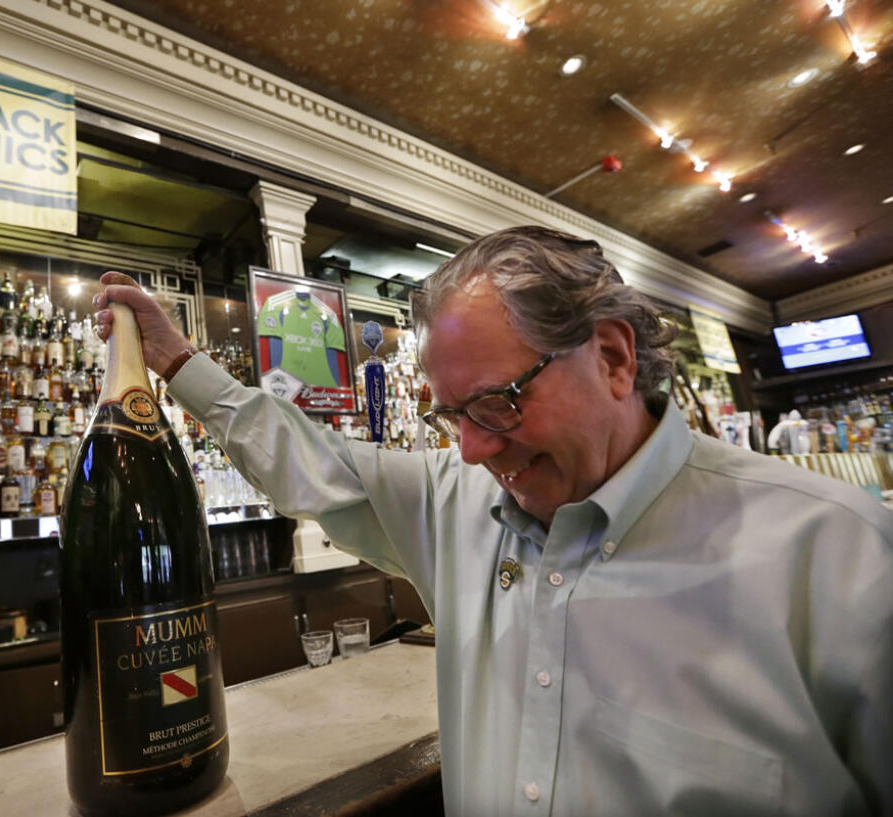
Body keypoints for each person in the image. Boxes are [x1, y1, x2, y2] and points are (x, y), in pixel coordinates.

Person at [93, 226, 892, 817]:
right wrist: (177, 363)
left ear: (612, 358)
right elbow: (315, 463)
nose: (472, 449)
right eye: (451, 416)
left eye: (497, 402)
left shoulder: (839, 554)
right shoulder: (456, 500)